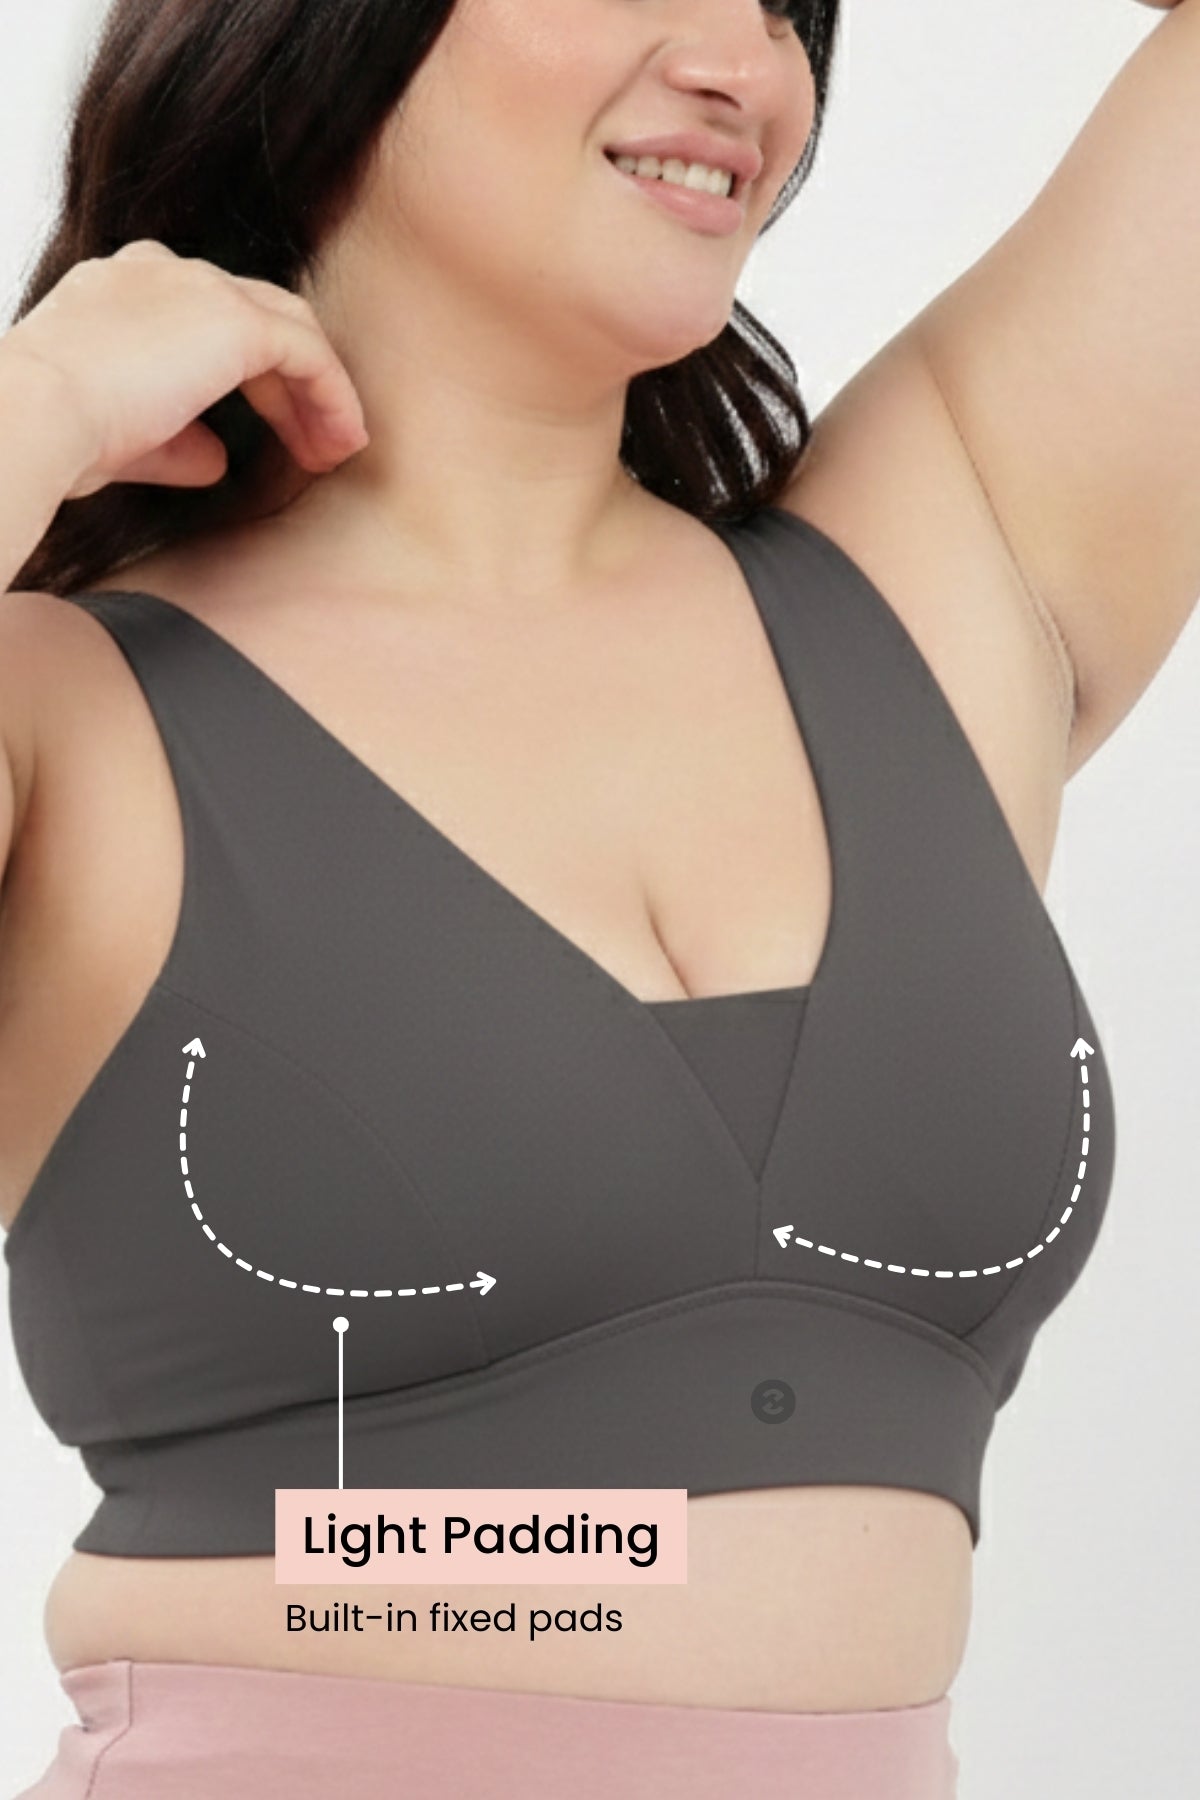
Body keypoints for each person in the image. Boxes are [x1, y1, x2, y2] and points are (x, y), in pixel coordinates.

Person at [0, 1, 1194, 1795]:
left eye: (785, 5)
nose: (747, 64)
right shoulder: (63, 716)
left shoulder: (939, 576)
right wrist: (28, 413)